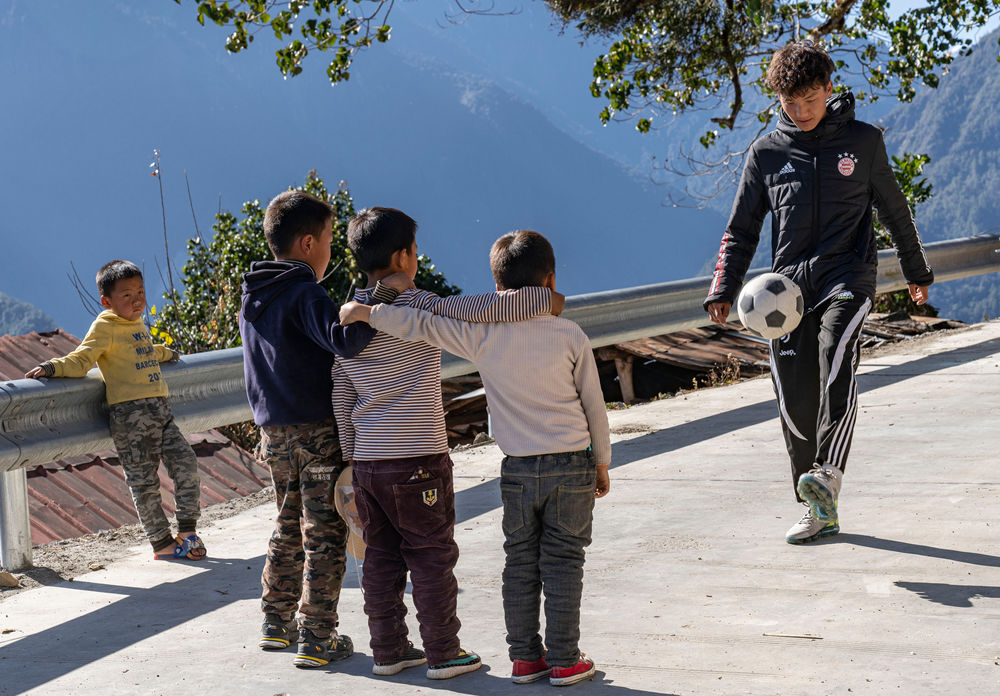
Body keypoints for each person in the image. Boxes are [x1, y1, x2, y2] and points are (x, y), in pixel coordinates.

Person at [340, 228, 611, 687]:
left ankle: (525, 659)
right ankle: (566, 659)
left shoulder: (483, 338)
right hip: (572, 465)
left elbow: (422, 325)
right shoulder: (570, 334)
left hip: (518, 470)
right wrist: (601, 461)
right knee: (564, 561)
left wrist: (371, 313)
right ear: (550, 280)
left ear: (498, 288)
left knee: (520, 561)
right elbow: (594, 405)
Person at [703, 41, 934, 544]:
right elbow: (740, 229)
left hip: (848, 277)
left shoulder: (864, 142)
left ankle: (828, 472)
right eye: (790, 101)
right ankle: (816, 506)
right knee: (794, 400)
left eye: (810, 98)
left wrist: (917, 272)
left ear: (829, 90)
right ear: (778, 98)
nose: (801, 110)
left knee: (836, 352)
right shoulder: (765, 154)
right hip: (785, 295)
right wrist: (724, 286)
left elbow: (895, 211)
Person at [240, 190, 415, 669]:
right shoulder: (304, 291)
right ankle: (317, 635)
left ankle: (276, 623)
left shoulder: (254, 293)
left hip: (274, 433)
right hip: (317, 432)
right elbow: (347, 341)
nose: (332, 250)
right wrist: (383, 294)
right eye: (330, 239)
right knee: (325, 531)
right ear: (307, 242)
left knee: (286, 521)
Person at [25, 260, 206, 562]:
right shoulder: (105, 325)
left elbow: (144, 349)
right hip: (130, 419)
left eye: (140, 292)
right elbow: (82, 359)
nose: (137, 300)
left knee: (186, 463)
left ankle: (187, 529)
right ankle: (161, 542)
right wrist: (52, 366)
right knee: (144, 482)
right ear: (106, 301)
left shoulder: (135, 323)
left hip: (161, 413)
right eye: (127, 295)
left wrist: (168, 353)